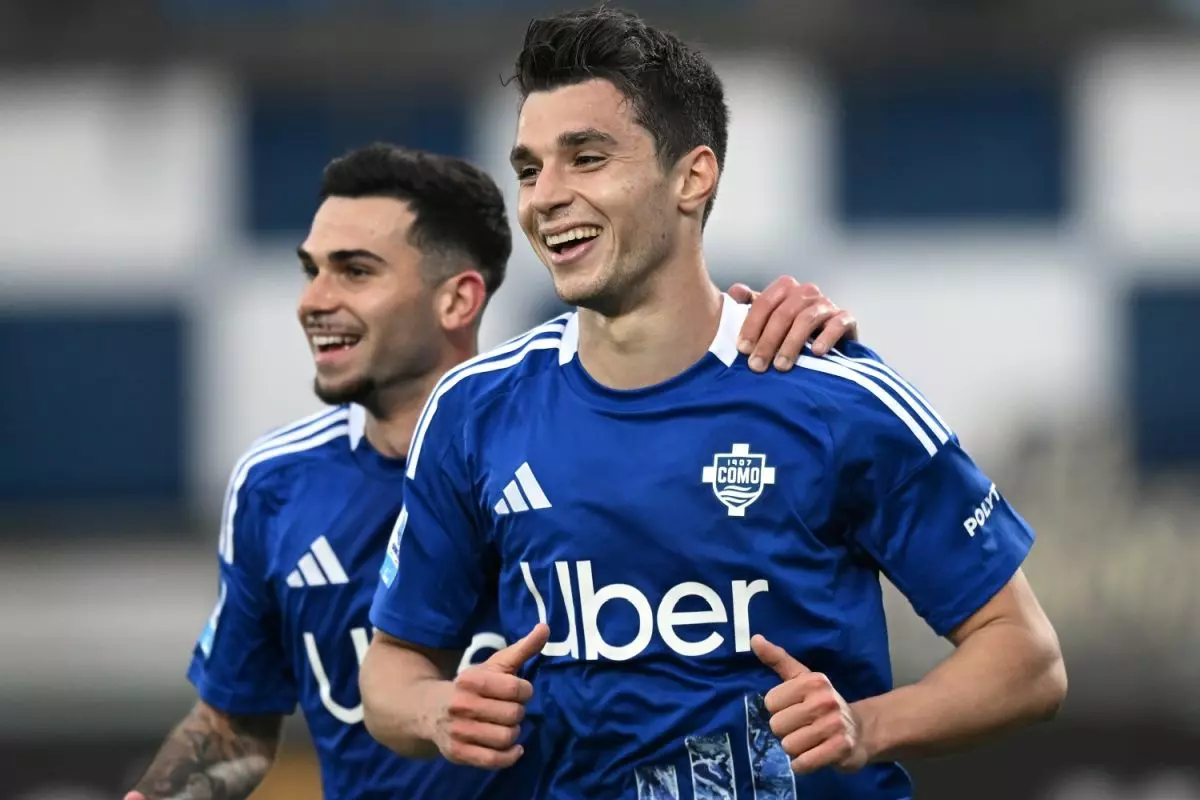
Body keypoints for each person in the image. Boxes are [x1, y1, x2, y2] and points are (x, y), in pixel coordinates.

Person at [360, 8, 1068, 800]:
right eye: (529, 170)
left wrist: (867, 726)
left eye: (586, 158)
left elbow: (1026, 656)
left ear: (692, 177)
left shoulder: (833, 395)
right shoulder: (474, 411)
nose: (545, 198)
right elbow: (393, 668)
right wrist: (436, 711)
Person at [123, 140, 859, 800]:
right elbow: (235, 726)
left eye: (354, 271)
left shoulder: (585, 452)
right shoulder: (274, 486)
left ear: (457, 298)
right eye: (311, 271)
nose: (314, 301)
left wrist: (774, 341)